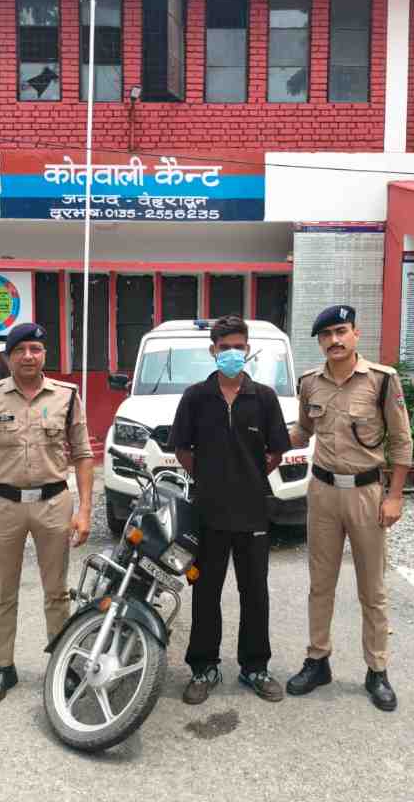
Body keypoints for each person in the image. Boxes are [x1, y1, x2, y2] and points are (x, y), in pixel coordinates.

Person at [287, 305, 413, 711]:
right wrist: (262, 438)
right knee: (320, 584)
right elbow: (303, 431)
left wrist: (394, 496)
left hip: (366, 494)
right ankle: (317, 660)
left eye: (341, 331)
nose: (334, 340)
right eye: (326, 335)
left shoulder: (381, 380)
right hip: (322, 493)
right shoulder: (310, 383)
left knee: (372, 589)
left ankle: (377, 670)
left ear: (356, 334)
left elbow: (402, 441)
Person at [0, 322, 94, 706]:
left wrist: (85, 510)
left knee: (57, 591)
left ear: (44, 354)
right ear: (8, 357)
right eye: (20, 350)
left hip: (54, 504)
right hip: (3, 506)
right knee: (3, 592)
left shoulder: (67, 396)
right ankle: (4, 666)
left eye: (35, 349)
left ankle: (61, 663)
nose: (28, 356)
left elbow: (83, 455)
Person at [168, 314, 290, 705]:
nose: (232, 354)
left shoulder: (264, 397)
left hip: (253, 512)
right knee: (205, 592)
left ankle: (255, 667)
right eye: (225, 348)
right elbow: (182, 449)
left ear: (248, 349)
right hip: (209, 512)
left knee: (255, 592)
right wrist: (210, 479)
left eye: (239, 347)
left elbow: (276, 450)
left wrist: (248, 477)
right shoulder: (196, 397)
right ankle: (204, 667)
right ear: (213, 351)